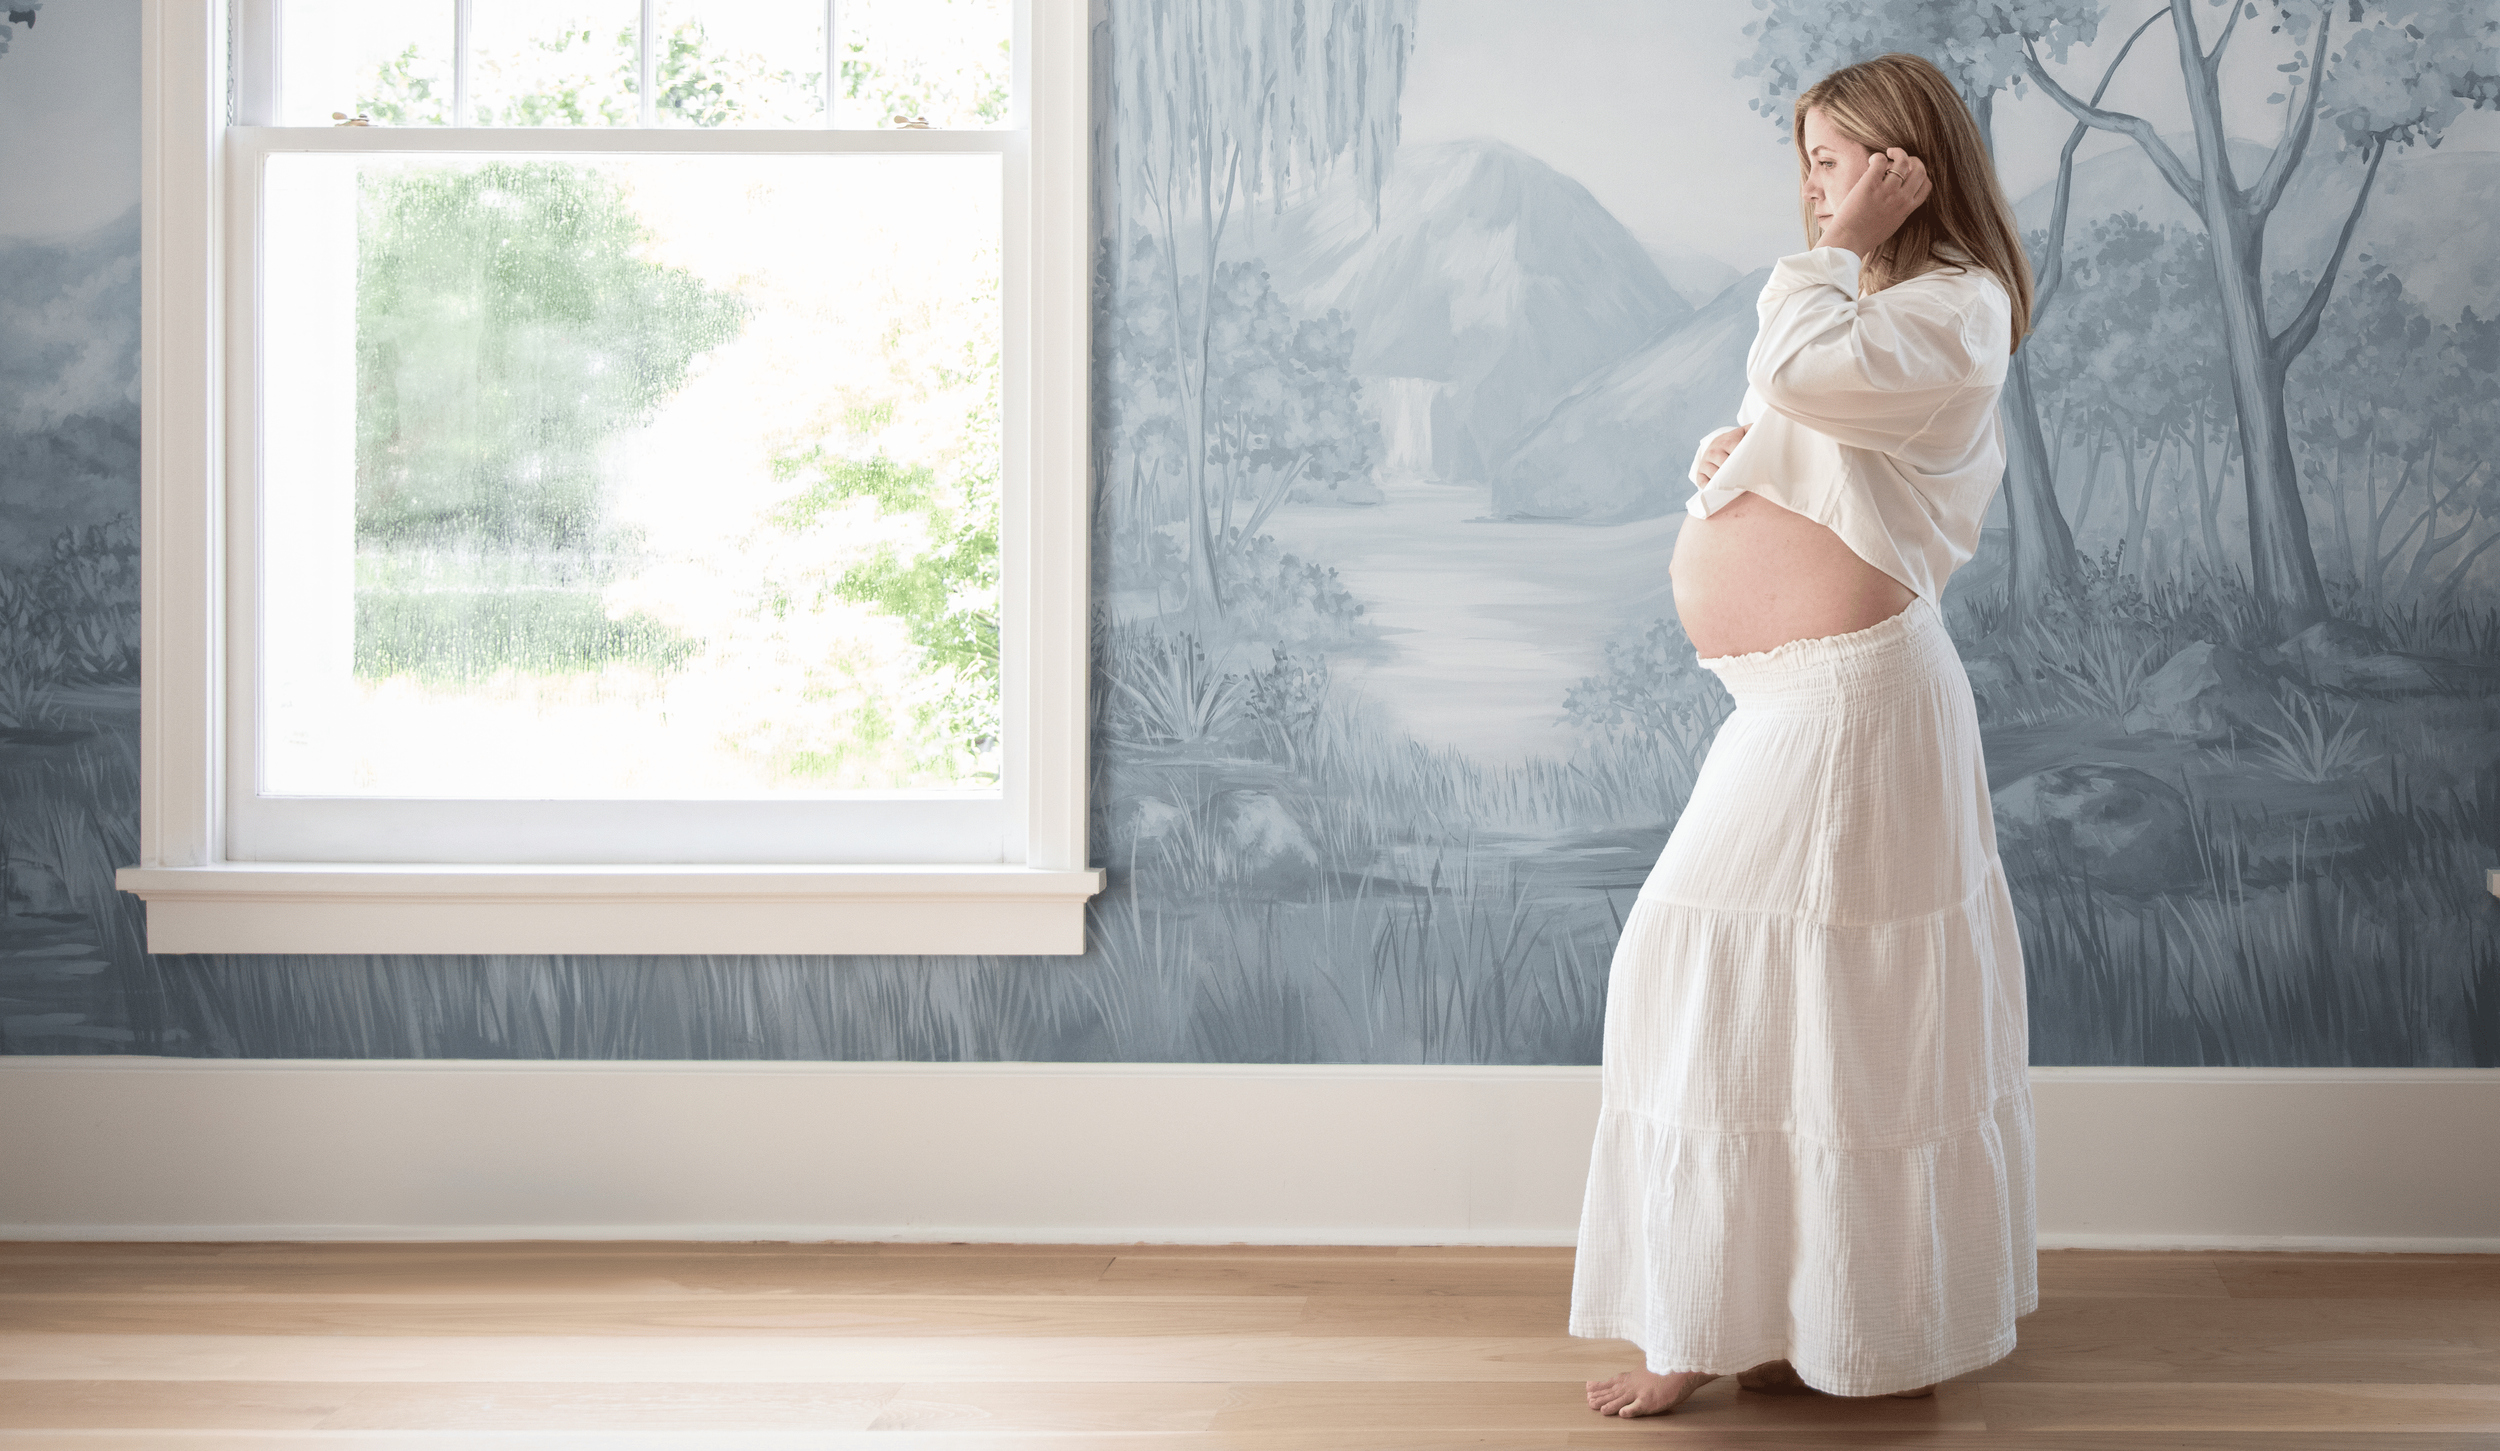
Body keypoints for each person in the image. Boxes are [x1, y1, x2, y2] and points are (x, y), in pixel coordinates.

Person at [1574, 52, 2039, 1419]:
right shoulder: (1878, 308)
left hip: (1851, 705)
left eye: (1838, 164)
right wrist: (1737, 462)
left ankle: (1716, 1324)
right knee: (1790, 1006)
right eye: (1812, 169)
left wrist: (1831, 254)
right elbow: (1806, 421)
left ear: (1909, 167)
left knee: (1729, 977)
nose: (1815, 193)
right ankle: (1786, 1312)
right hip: (1799, 699)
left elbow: (1798, 357)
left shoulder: (1955, 305)